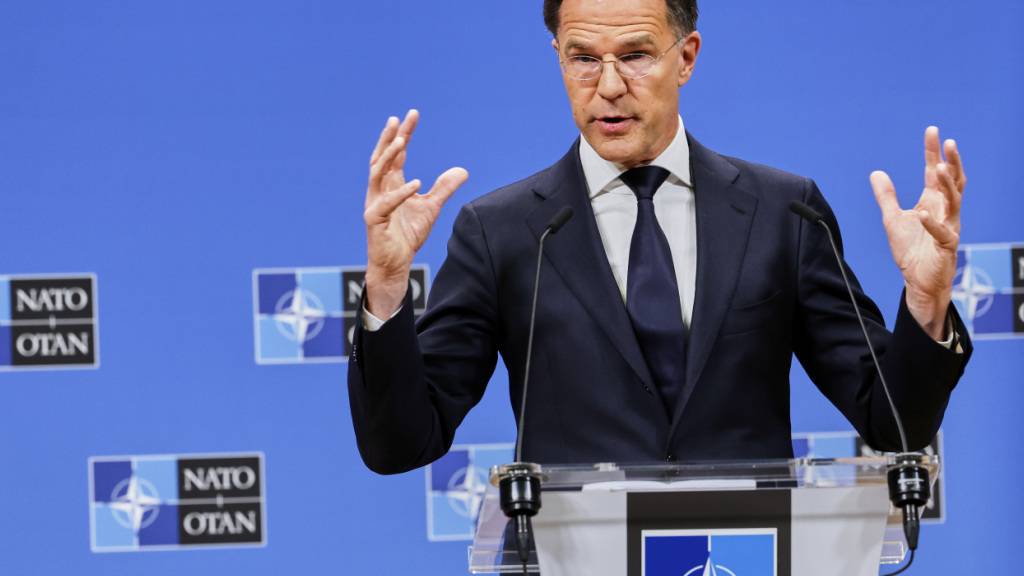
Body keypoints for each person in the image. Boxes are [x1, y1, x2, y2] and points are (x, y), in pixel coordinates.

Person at [348, 0, 971, 475]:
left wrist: (926, 302)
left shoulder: (784, 212)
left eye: (635, 55)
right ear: (558, 58)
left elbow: (894, 424)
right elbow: (399, 444)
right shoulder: (502, 231)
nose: (608, 86)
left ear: (687, 57)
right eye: (583, 58)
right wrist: (387, 286)